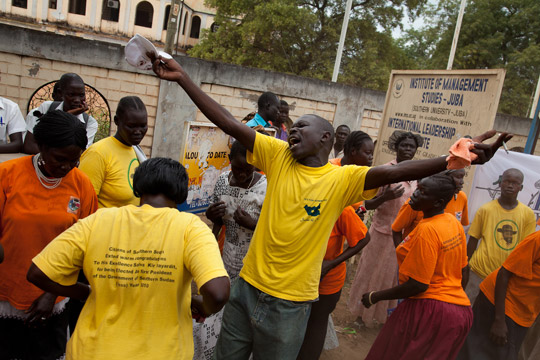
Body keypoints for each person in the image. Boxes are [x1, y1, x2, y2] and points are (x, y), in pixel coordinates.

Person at [149, 54, 510, 359]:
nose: (291, 130)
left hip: (289, 306)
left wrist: (456, 158)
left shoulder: (342, 179)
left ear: (325, 137)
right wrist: (183, 79)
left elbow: (397, 169)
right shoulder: (277, 156)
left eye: (301, 126)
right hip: (245, 289)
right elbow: (227, 121)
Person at [27, 157, 230, 360]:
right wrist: (202, 305)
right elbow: (218, 293)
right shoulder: (191, 228)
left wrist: (85, 292)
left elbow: (38, 273)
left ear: (137, 187)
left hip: (91, 351)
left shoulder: (98, 220)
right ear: (182, 193)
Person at [0, 110, 98, 360]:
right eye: (59, 158)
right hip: (6, 294)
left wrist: (51, 293)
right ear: (42, 147)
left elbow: (84, 247)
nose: (66, 167)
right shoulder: (8, 175)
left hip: (53, 302)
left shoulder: (82, 185)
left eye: (73, 161)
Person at [362, 174, 473, 359]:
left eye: (422, 192)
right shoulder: (453, 222)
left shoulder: (427, 230)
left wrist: (375, 296)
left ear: (437, 202)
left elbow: (418, 285)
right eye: (417, 188)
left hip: (431, 310)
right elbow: (464, 269)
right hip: (460, 311)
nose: (414, 194)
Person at [297, 131, 373, 360]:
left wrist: (330, 264)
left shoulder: (341, 207)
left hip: (328, 278)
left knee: (316, 323)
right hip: (302, 272)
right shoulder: (299, 199)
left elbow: (363, 238)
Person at [193, 140, 267, 359]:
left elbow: (273, 228)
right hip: (226, 255)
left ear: (255, 165)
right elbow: (217, 222)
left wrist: (253, 224)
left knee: (244, 310)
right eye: (237, 168)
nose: (242, 174)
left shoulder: (266, 187)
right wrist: (212, 217)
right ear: (229, 163)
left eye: (248, 169)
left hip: (254, 262)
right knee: (221, 307)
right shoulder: (223, 181)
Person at [348, 130, 423, 327]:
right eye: (404, 146)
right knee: (370, 273)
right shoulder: (385, 171)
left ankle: (380, 316)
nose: (408, 150)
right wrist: (384, 198)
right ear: (396, 147)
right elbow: (366, 204)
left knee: (389, 278)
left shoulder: (416, 175)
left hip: (402, 239)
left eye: (411, 147)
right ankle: (360, 315)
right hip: (381, 233)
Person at [457, 230, 540, 360]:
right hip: (499, 303)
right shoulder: (537, 239)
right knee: (473, 353)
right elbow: (504, 273)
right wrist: (499, 320)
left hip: (524, 314)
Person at [465, 168, 536, 303]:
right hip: (479, 273)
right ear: (500, 184)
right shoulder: (486, 209)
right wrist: (465, 267)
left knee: (493, 316)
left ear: (520, 188)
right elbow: (473, 240)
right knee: (468, 311)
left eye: (514, 183)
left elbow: (526, 249)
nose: (510, 185)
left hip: (507, 277)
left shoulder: (527, 214)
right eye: (507, 181)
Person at [79, 96, 148, 208]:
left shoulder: (136, 151)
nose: (138, 132)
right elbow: (83, 204)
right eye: (131, 126)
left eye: (143, 126)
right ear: (117, 121)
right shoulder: (98, 153)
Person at [24, 73, 99, 154]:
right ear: (60, 93)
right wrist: (68, 115)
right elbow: (29, 146)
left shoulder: (90, 123)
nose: (77, 100)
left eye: (81, 95)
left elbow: (79, 153)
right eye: (71, 95)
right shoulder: (46, 108)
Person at [392, 168, 469, 246]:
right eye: (458, 177)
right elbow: (396, 229)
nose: (462, 182)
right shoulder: (417, 202)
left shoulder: (461, 200)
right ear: (444, 177)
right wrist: (402, 255)